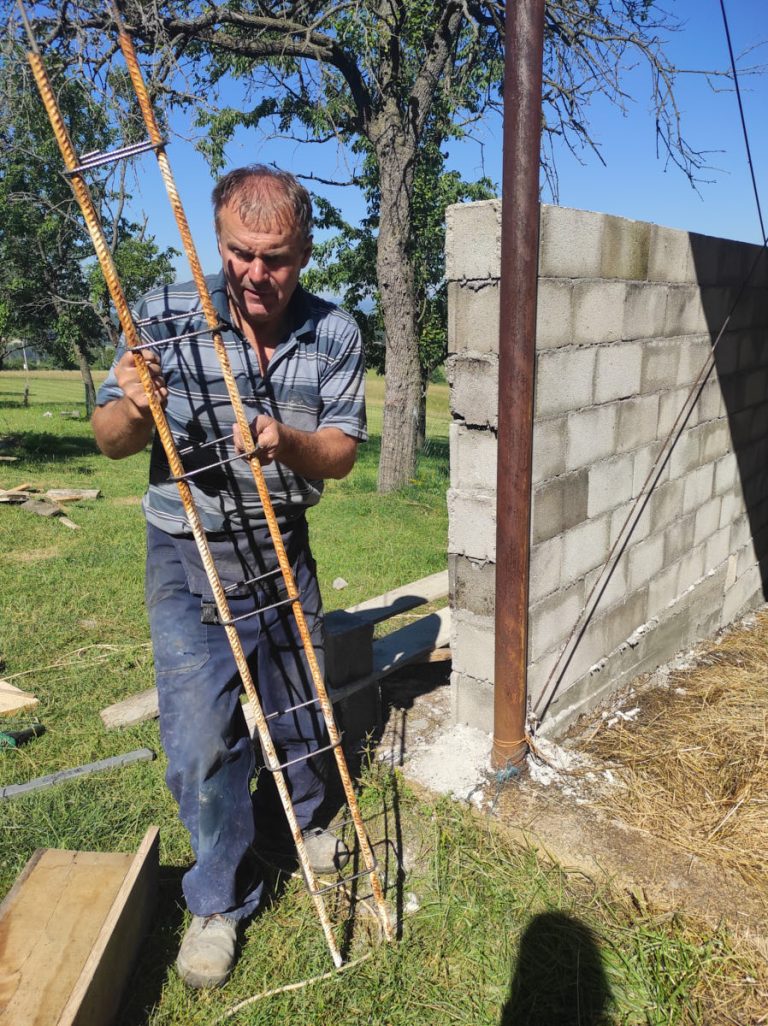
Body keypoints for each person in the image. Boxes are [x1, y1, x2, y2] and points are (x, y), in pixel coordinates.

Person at [92, 165, 367, 988]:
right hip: (189, 551)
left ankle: (310, 818)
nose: (256, 274)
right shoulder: (168, 314)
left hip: (281, 538)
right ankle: (217, 900)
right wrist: (137, 408)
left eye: (276, 258)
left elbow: (343, 453)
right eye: (241, 254)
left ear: (306, 251)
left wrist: (283, 439)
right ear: (217, 242)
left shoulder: (336, 332)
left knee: (299, 697)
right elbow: (108, 437)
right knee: (202, 736)